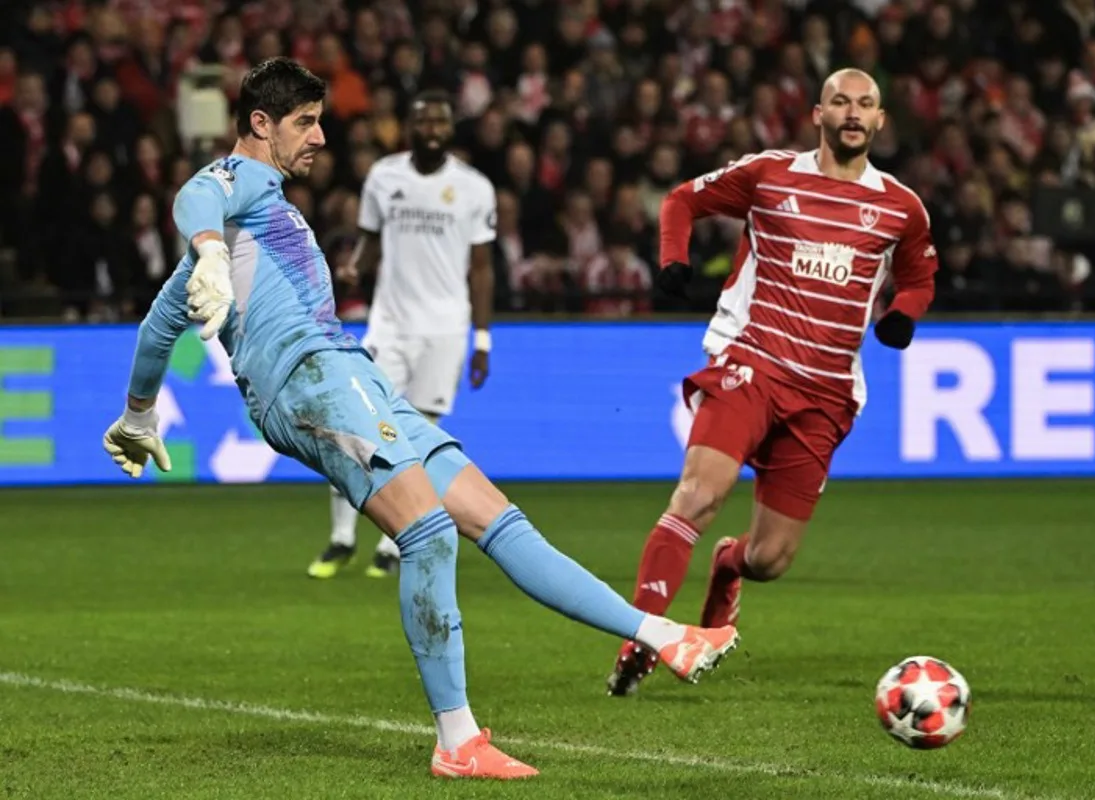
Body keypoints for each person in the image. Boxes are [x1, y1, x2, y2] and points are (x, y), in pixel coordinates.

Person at [99, 58, 738, 778]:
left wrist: (139, 413)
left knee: (496, 519)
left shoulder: (250, 217)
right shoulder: (240, 185)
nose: (319, 138)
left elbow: (159, 326)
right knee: (427, 534)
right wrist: (210, 247)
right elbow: (196, 193)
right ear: (260, 124)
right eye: (305, 122)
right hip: (313, 380)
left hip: (351, 374)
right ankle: (458, 741)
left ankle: (663, 634)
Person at [605, 68, 937, 697]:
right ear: (818, 112)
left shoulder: (901, 206)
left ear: (881, 120)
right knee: (697, 497)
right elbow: (683, 199)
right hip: (750, 362)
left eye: (866, 104)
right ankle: (646, 632)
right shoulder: (769, 174)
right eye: (841, 101)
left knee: (770, 560)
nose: (853, 113)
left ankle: (728, 569)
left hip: (828, 391)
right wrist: (674, 257)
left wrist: (902, 316)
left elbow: (919, 277)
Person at [311, 90, 497, 580]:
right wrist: (354, 269)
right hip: (389, 324)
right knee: (354, 429)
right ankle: (340, 537)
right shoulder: (384, 176)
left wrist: (482, 338)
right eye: (423, 122)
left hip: (445, 329)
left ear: (450, 129)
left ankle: (392, 544)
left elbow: (481, 268)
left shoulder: (474, 187)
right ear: (409, 129)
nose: (432, 130)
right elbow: (372, 240)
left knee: (416, 444)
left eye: (440, 121)